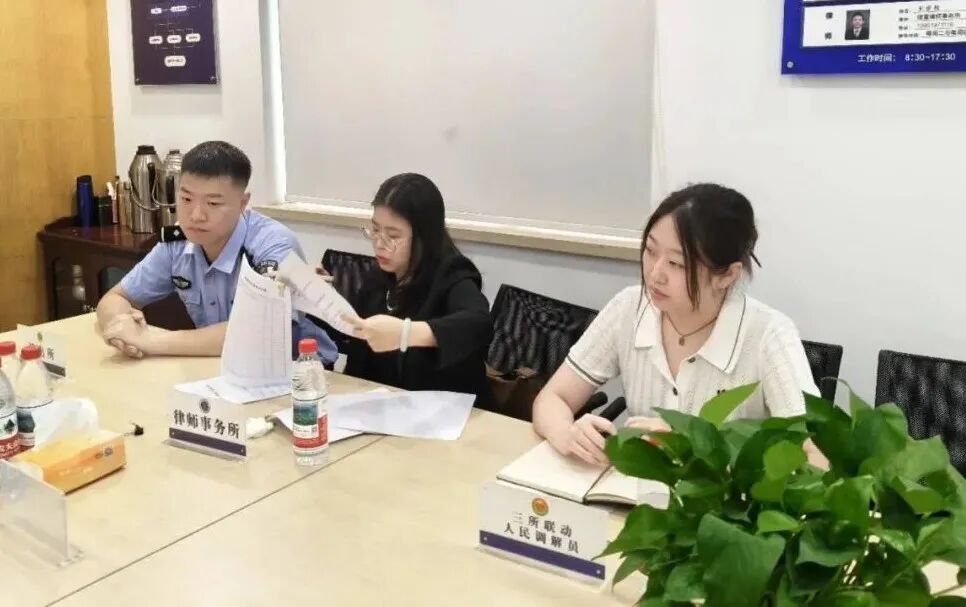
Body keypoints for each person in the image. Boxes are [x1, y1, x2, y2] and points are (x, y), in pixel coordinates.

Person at [532, 183, 826, 467]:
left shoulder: (768, 336)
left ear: (727, 275)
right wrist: (567, 433)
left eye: (677, 264)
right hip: (633, 491)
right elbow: (553, 398)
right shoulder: (629, 307)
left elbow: (817, 457)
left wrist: (695, 449)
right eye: (650, 251)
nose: (655, 274)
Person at [96, 140, 337, 363]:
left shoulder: (273, 246)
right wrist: (121, 328)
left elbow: (259, 332)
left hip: (297, 372)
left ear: (242, 203)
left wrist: (149, 340)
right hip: (219, 368)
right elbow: (116, 298)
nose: (196, 215)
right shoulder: (178, 242)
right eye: (186, 199)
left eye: (212, 203)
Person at [336, 173, 494, 405]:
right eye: (375, 230)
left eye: (392, 236)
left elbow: (478, 324)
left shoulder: (452, 273)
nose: (379, 243)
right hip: (383, 409)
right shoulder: (378, 278)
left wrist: (406, 333)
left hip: (447, 412)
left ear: (423, 237)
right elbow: (357, 347)